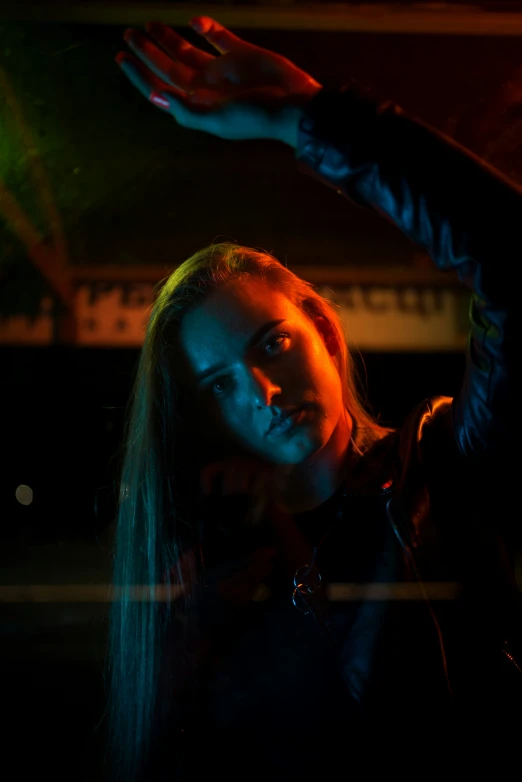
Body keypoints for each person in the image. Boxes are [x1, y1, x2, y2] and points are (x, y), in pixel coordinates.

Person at [103, 15, 522, 782]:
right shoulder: (206, 585)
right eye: (220, 383)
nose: (261, 391)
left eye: (272, 344)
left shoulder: (443, 472)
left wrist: (307, 118)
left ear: (324, 330)